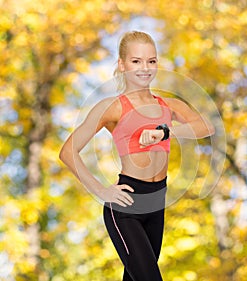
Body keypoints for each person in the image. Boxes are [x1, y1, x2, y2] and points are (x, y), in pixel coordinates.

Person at [59, 30, 215, 281]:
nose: (145, 68)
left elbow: (207, 126)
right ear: (122, 65)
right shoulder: (113, 107)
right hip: (126, 206)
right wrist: (101, 191)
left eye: (151, 61)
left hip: (157, 202)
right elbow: (68, 151)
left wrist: (165, 132)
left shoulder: (167, 106)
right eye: (136, 61)